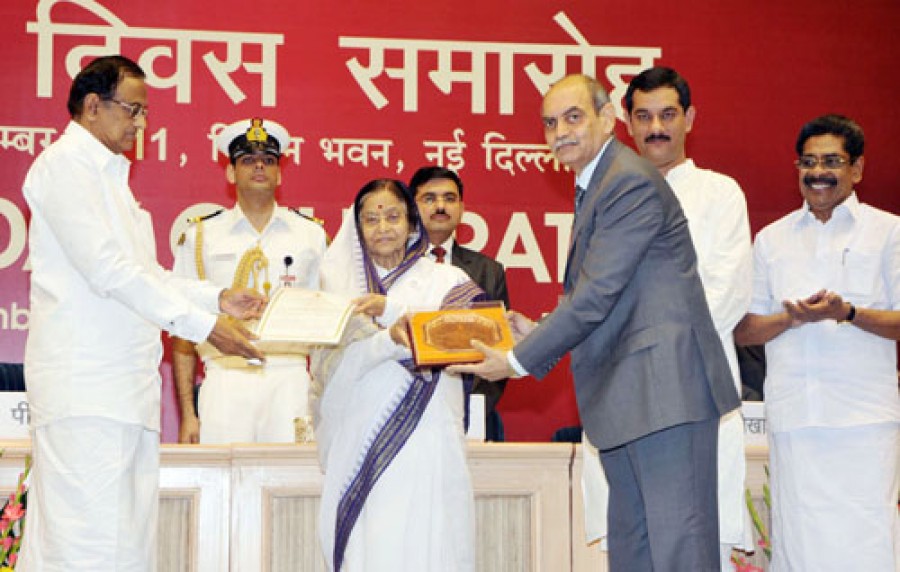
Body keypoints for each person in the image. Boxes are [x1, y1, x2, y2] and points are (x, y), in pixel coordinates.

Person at [451, 74, 741, 571]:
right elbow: (615, 296)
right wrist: (539, 330)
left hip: (664, 394)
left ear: (608, 119)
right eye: (549, 123)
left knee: (678, 552)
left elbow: (597, 294)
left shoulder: (627, 181)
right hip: (629, 399)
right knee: (633, 553)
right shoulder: (598, 183)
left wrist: (517, 360)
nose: (560, 132)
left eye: (573, 117)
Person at [19, 55, 264, 572]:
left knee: (126, 548)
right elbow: (107, 270)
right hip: (86, 391)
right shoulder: (64, 166)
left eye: (144, 112)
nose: (141, 124)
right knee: (82, 547)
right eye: (133, 110)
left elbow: (147, 274)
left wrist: (217, 298)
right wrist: (205, 328)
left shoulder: (113, 179)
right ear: (93, 106)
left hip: (125, 393)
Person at [734, 114, 900, 571]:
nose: (818, 172)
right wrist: (791, 318)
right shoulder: (772, 239)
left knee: (868, 542)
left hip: (864, 421)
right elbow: (744, 329)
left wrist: (849, 314)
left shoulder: (889, 232)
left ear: (857, 168)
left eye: (831, 161)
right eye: (808, 162)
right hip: (796, 420)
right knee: (800, 542)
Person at [310, 178, 484, 571]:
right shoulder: (339, 290)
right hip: (361, 441)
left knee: (431, 541)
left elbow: (471, 336)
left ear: (411, 224)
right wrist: (387, 341)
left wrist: (391, 311)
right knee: (372, 545)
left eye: (393, 217)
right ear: (358, 228)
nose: (383, 228)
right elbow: (332, 373)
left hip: (428, 438)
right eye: (371, 220)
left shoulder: (446, 280)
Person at [622, 66, 754, 568]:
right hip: (624, 396)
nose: (656, 127)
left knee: (698, 541)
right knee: (633, 543)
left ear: (690, 118)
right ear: (627, 124)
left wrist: (648, 344)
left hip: (692, 384)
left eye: (668, 115)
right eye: (643, 116)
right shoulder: (606, 196)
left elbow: (724, 294)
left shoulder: (720, 194)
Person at [171, 117, 326, 444]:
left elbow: (327, 325)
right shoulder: (201, 236)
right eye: (248, 160)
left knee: (292, 473)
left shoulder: (311, 235)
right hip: (226, 375)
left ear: (279, 173)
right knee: (224, 473)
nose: (259, 166)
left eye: (268, 160)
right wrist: (188, 414)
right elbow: (182, 328)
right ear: (230, 172)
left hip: (289, 376)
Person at [409, 165, 510, 441]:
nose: (440, 206)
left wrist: (469, 407)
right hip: (407, 411)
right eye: (429, 198)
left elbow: (498, 352)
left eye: (449, 198)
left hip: (469, 415)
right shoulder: (396, 267)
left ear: (462, 208)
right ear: (412, 207)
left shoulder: (488, 271)